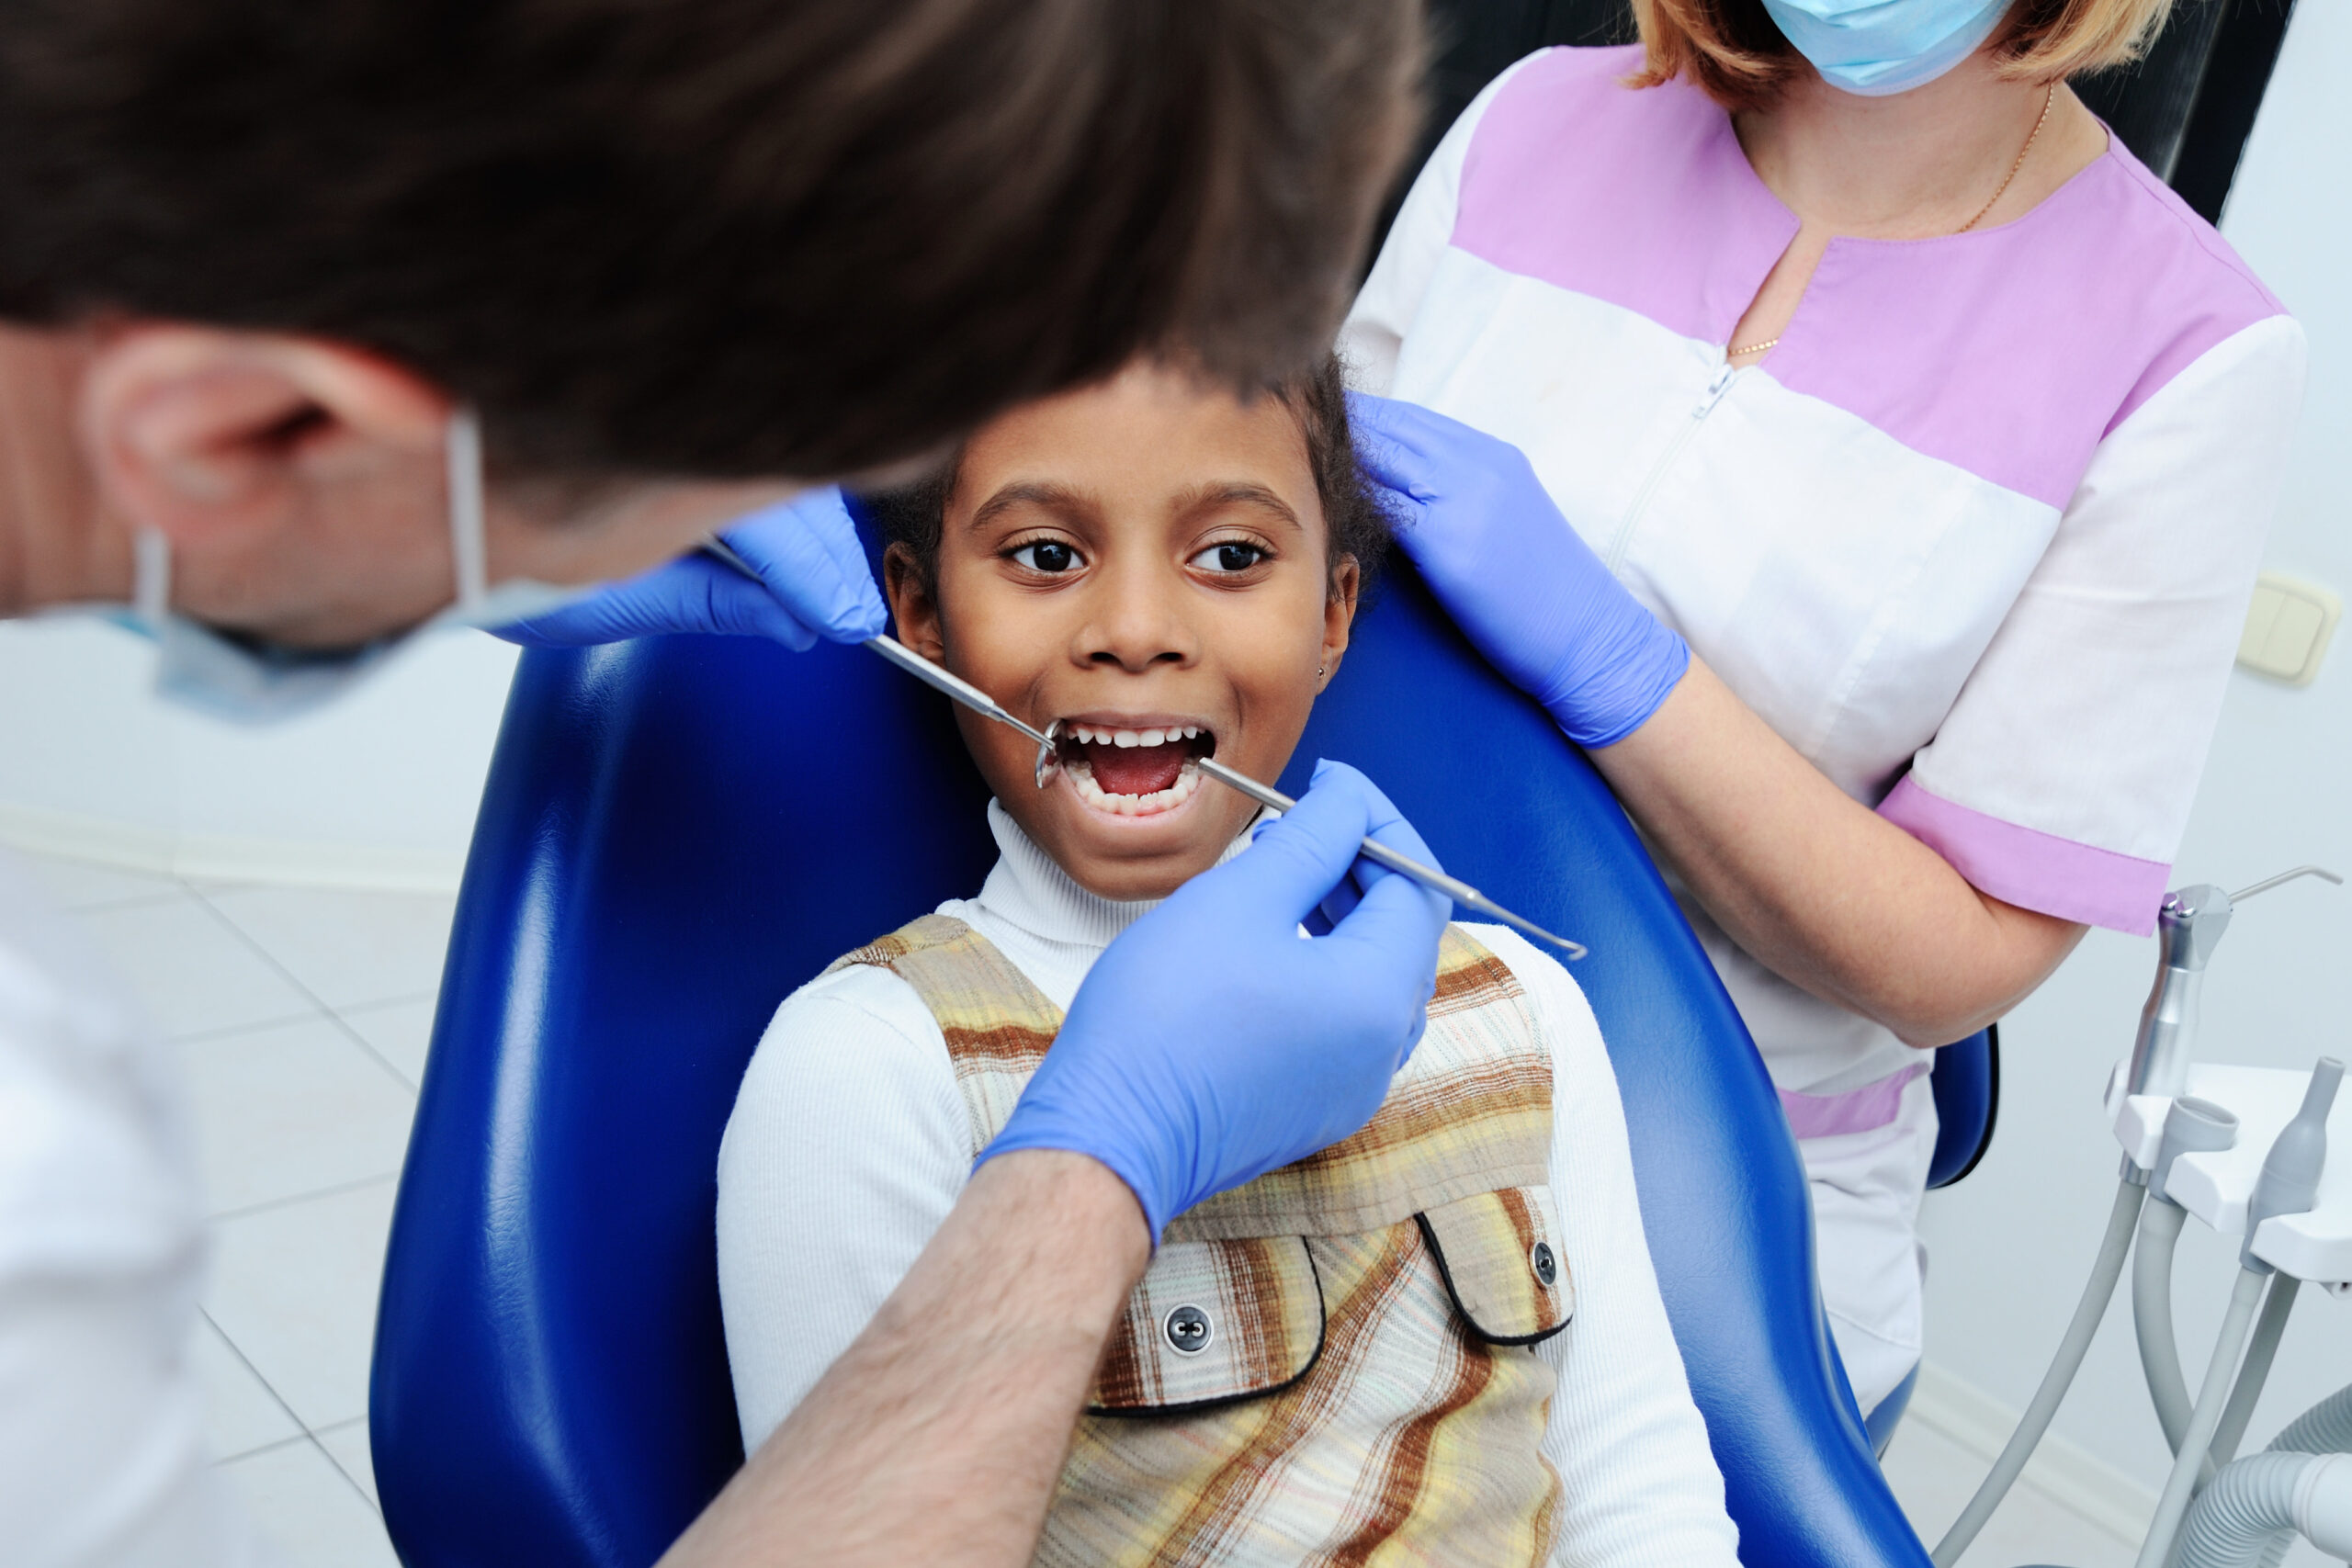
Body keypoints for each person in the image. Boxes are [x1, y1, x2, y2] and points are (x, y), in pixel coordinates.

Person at [0, 3, 1438, 1564]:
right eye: (1039, 547)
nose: (1135, 630)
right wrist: (1098, 1171)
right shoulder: (34, 1183)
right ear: (241, 432)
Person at [1339, 0, 2305, 1413]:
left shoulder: (2189, 351)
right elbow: (1267, 566)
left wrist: (1624, 673)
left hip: (1698, 1196)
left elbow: (1955, 957)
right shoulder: (1539, 116)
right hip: (1315, 1043)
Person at [715, 356, 1738, 1565]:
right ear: (921, 613)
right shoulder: (868, 1068)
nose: (1138, 633)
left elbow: (1635, 1495)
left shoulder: (1521, 1007)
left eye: (1235, 556)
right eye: (1046, 555)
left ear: (1333, 615)